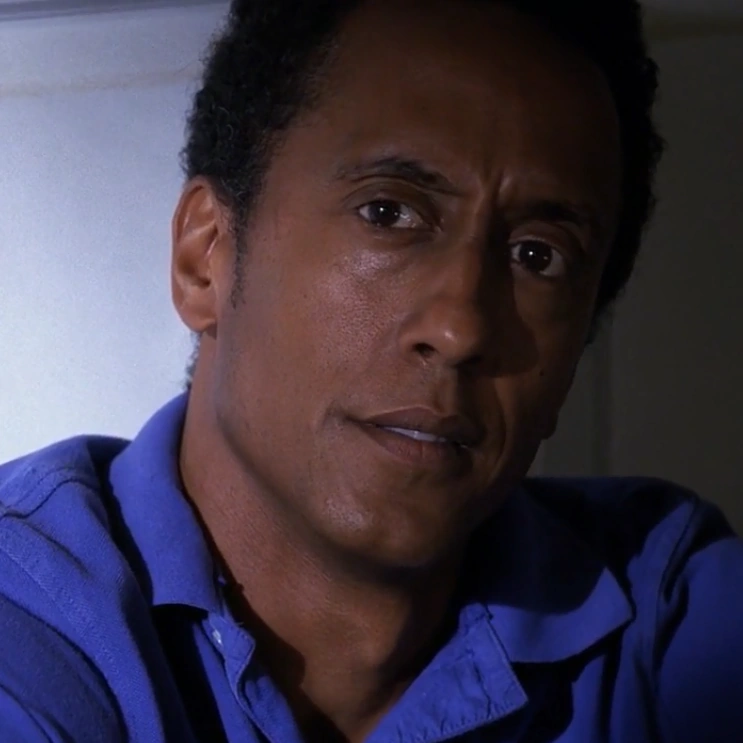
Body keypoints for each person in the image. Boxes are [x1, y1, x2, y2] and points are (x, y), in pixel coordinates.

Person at [1, 0, 741, 741]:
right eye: (388, 213)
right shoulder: (27, 618)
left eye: (536, 256)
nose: (461, 329)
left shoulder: (661, 604)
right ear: (206, 258)